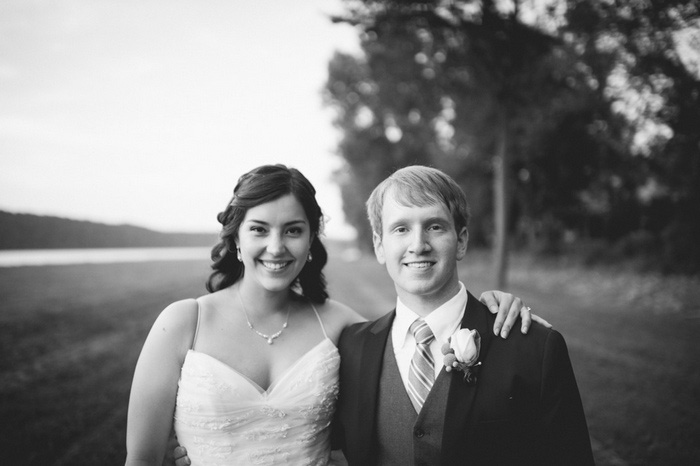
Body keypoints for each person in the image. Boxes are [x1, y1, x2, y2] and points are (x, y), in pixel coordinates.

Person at [126, 164, 540, 466]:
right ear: (235, 240)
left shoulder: (340, 325)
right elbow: (141, 459)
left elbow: (415, 334)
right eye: (258, 229)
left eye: (292, 230)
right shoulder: (183, 323)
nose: (276, 247)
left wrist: (490, 310)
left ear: (310, 240)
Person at [333, 165, 594, 465]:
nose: (418, 245)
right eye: (401, 228)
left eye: (434, 226)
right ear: (380, 245)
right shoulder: (351, 349)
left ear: (462, 241)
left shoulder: (534, 347)